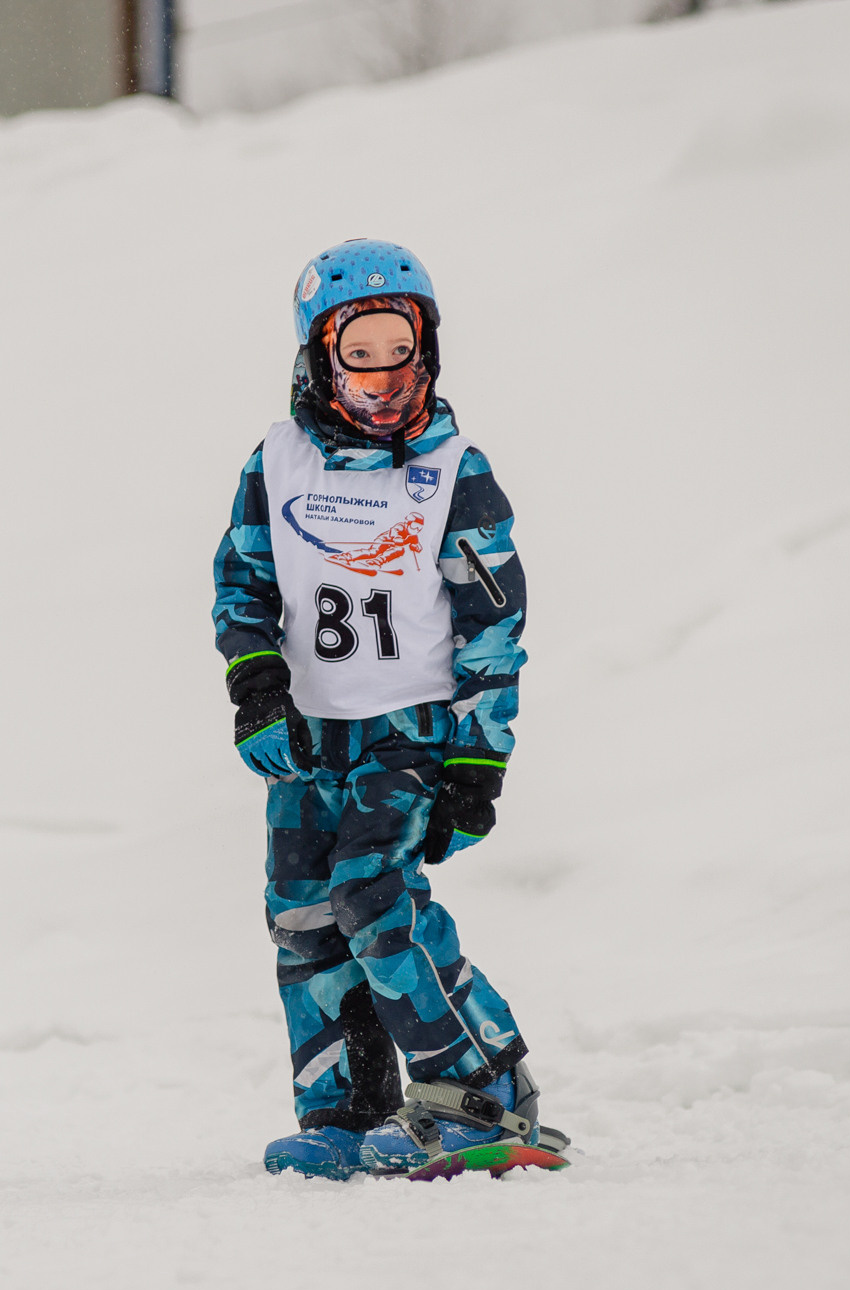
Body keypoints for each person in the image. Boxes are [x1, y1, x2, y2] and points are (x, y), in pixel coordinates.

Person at [212, 240, 566, 1179]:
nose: (382, 376)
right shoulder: (277, 461)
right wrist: (255, 688)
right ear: (320, 356)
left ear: (428, 347)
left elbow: (494, 625)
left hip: (408, 732)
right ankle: (343, 1107)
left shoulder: (455, 471)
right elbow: (242, 583)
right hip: (305, 739)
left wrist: (478, 760)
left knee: (374, 896)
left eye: (397, 344)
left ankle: (480, 1085)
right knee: (302, 913)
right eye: (358, 349)